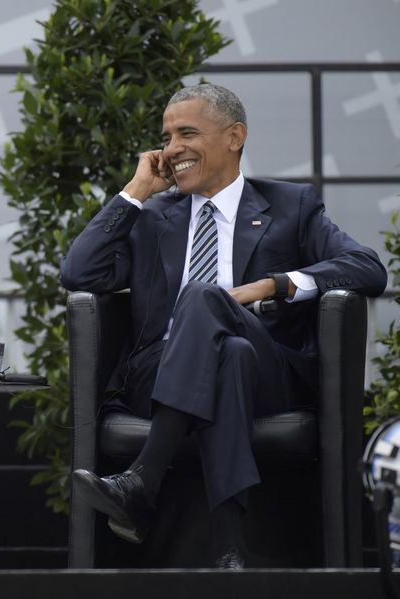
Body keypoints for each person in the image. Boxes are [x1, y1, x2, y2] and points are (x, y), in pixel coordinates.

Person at [60, 83, 387, 569]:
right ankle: (231, 549)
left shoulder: (291, 206)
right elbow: (78, 273)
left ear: (235, 136)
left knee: (207, 306)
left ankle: (142, 481)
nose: (172, 149)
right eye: (167, 137)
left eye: (187, 133)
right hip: (160, 373)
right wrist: (135, 191)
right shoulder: (153, 218)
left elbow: (367, 267)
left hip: (268, 373)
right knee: (226, 352)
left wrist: (267, 286)